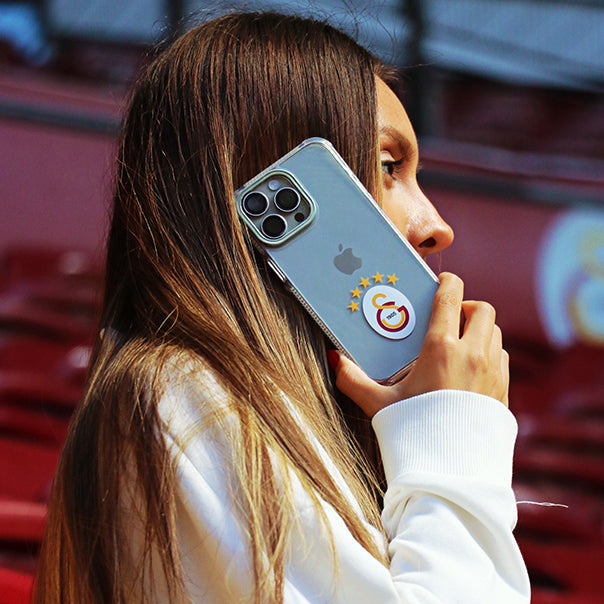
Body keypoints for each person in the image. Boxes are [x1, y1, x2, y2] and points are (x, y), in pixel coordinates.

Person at [34, 11, 530, 603]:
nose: (436, 225)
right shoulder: (184, 398)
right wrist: (454, 429)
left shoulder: (216, 401)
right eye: (387, 167)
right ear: (272, 171)